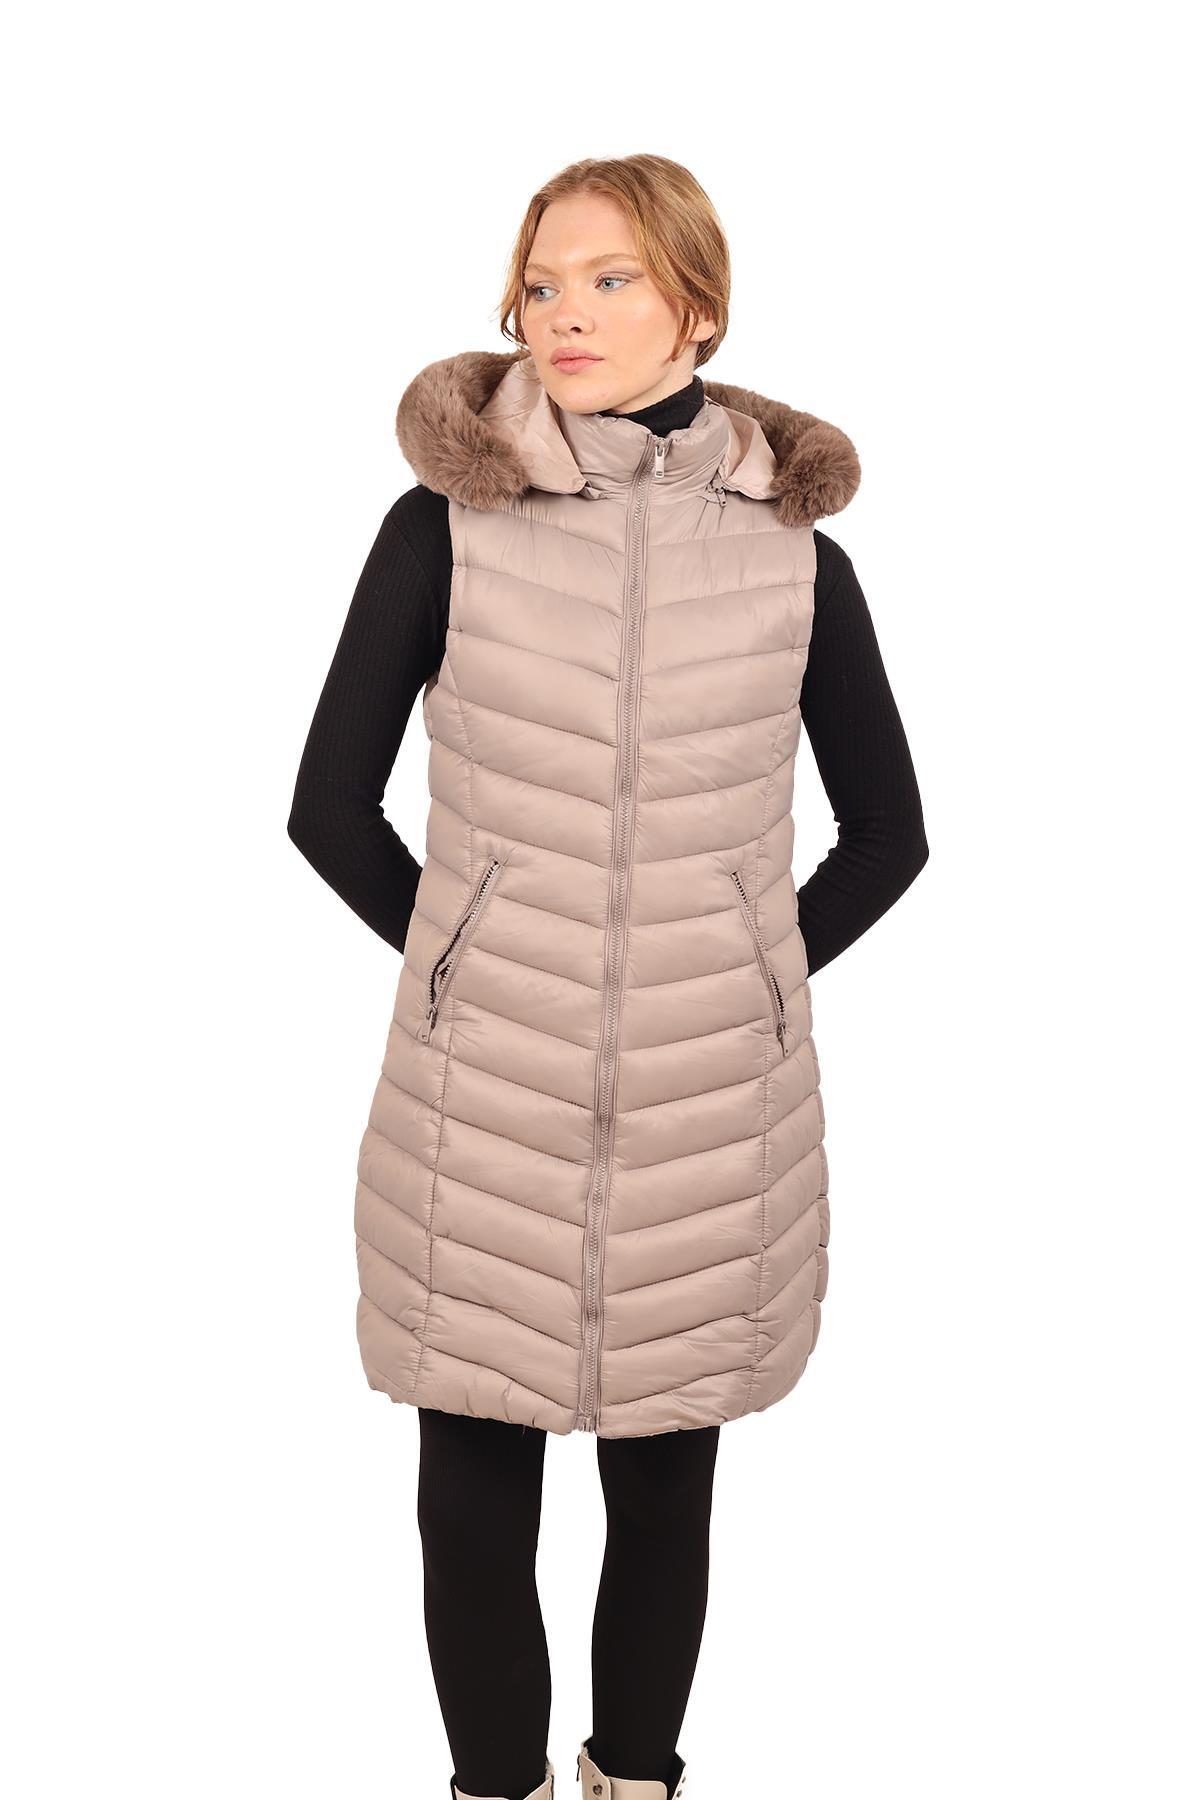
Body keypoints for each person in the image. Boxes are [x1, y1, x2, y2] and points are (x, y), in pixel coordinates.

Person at [288, 154, 929, 1800]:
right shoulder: (446, 528)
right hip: (479, 1101)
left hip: (709, 1108)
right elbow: (327, 807)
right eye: (541, 283)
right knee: (471, 1491)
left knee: (665, 1489)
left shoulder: (793, 559)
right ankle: (492, 1787)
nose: (560, 314)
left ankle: (634, 1779)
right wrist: (472, 969)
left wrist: (742, 980)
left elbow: (890, 837)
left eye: (609, 279)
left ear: (698, 310)